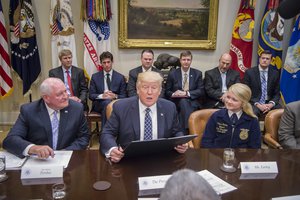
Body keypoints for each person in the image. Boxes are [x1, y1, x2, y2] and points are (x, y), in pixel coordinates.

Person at [100, 71, 188, 163]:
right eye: (145, 87)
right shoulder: (121, 107)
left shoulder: (169, 107)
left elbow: (177, 131)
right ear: (138, 89)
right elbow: (107, 133)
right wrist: (112, 149)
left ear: (159, 91)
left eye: (154, 88)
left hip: (161, 160)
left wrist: (180, 143)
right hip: (129, 161)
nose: (149, 92)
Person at [3, 78, 90, 159]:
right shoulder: (29, 111)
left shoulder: (76, 108)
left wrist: (64, 153)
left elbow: (83, 138)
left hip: (67, 159)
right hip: (38, 161)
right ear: (46, 98)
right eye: (60, 94)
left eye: (65, 91)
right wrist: (33, 148)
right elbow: (10, 140)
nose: (66, 96)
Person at [201, 83, 261, 148]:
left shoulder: (252, 120)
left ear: (243, 103)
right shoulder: (216, 116)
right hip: (217, 155)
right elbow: (206, 142)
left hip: (242, 156)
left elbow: (255, 147)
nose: (229, 101)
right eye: (228, 97)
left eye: (234, 100)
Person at [165, 50, 204, 133]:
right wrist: (174, 94)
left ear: (191, 61)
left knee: (183, 106)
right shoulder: (173, 74)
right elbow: (167, 91)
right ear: (180, 60)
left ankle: (183, 132)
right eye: (184, 59)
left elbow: (201, 90)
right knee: (183, 101)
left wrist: (186, 93)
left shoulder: (197, 73)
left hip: (193, 101)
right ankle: (189, 128)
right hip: (177, 101)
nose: (186, 62)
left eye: (188, 60)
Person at [89, 51, 127, 128]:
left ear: (112, 62)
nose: (106, 65)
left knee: (109, 104)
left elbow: (124, 96)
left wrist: (115, 96)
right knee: (107, 103)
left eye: (108, 62)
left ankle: (105, 133)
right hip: (99, 104)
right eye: (104, 62)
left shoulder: (120, 77)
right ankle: (110, 133)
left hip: (115, 104)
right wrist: (102, 96)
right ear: (101, 63)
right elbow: (91, 95)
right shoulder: (95, 77)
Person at [243, 50, 281, 117]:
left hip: (268, 102)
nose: (265, 60)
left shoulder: (275, 73)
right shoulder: (249, 72)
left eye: (267, 59)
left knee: (281, 111)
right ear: (259, 59)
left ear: (271, 61)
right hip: (254, 102)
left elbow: (277, 93)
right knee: (253, 112)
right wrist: (257, 104)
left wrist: (271, 104)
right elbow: (246, 92)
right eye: (263, 58)